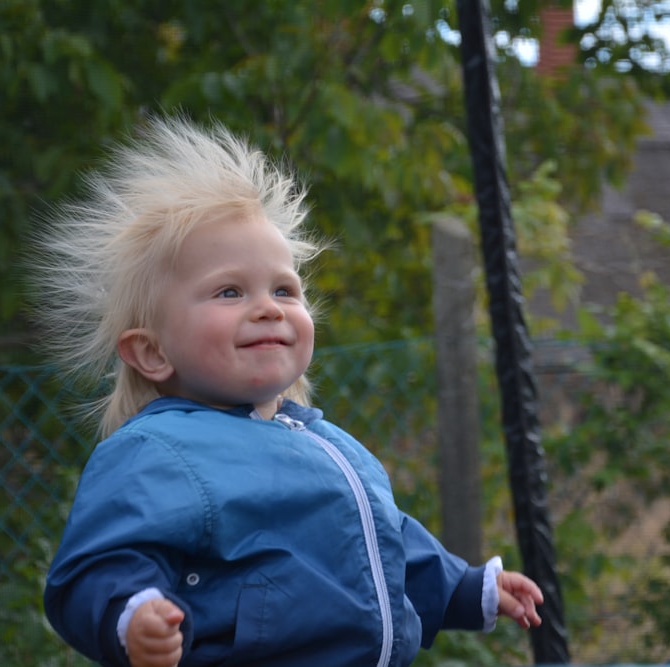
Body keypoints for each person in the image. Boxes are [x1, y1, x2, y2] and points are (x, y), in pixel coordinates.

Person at [35, 116, 543, 667]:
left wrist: (468, 589)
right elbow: (99, 563)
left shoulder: (328, 444)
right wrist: (133, 614)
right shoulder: (157, 450)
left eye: (284, 289)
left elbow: (384, 545)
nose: (268, 307)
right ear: (154, 352)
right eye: (230, 291)